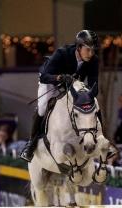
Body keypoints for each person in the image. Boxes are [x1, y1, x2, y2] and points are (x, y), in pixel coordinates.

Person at [20, 30, 99, 162]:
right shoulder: (62, 53)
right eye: (88, 50)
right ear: (79, 47)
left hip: (72, 86)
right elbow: (45, 76)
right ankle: (31, 144)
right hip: (51, 82)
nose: (91, 54)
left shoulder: (93, 60)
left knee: (93, 103)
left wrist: (88, 96)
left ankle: (99, 136)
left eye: (93, 50)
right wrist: (60, 77)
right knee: (43, 107)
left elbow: (94, 86)